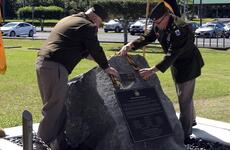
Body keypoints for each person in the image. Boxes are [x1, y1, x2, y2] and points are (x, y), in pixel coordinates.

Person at [36, 4, 118, 149]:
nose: (99, 25)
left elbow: (80, 49)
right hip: (56, 67)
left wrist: (103, 59)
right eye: (100, 21)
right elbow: (95, 48)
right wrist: (107, 67)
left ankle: (58, 143)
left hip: (45, 64)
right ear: (94, 16)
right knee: (53, 110)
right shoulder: (88, 25)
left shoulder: (71, 19)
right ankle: (40, 145)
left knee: (58, 109)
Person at [119, 2, 204, 142]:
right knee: (185, 95)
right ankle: (192, 119)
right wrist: (131, 45)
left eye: (158, 22)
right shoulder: (158, 23)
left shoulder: (180, 28)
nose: (156, 25)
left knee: (184, 99)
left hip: (188, 65)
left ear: (167, 16)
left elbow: (172, 54)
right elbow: (148, 37)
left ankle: (185, 134)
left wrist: (152, 70)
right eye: (155, 23)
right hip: (176, 64)